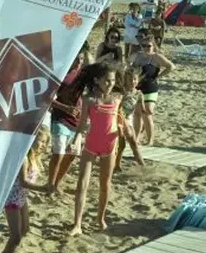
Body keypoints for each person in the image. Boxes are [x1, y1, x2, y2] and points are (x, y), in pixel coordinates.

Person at [68, 62, 121, 236]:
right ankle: (77, 224)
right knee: (82, 184)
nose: (110, 84)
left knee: (105, 185)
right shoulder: (89, 99)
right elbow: (82, 125)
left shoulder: (116, 99)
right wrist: (76, 139)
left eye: (112, 81)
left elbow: (118, 121)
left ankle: (100, 218)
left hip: (110, 145)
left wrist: (123, 131)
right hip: (91, 145)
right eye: (106, 81)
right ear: (97, 80)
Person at [0, 126, 50, 253]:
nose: (44, 145)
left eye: (45, 142)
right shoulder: (24, 157)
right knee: (15, 235)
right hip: (12, 199)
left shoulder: (34, 158)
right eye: (41, 141)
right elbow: (23, 182)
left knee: (25, 229)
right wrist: (42, 188)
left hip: (21, 198)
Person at [48, 50, 91, 193]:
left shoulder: (84, 76)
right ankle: (50, 184)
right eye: (76, 58)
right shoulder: (61, 74)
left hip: (77, 120)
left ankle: (57, 183)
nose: (78, 62)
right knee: (58, 154)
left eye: (81, 59)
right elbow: (48, 98)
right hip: (60, 117)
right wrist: (65, 107)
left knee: (71, 155)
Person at [131, 28, 175, 146]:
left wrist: (159, 76)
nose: (146, 48)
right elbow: (127, 66)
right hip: (137, 87)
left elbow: (171, 66)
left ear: (153, 46)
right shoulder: (137, 56)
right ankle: (136, 137)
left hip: (150, 86)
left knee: (147, 112)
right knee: (137, 113)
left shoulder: (156, 57)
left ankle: (150, 140)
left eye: (148, 46)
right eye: (144, 45)